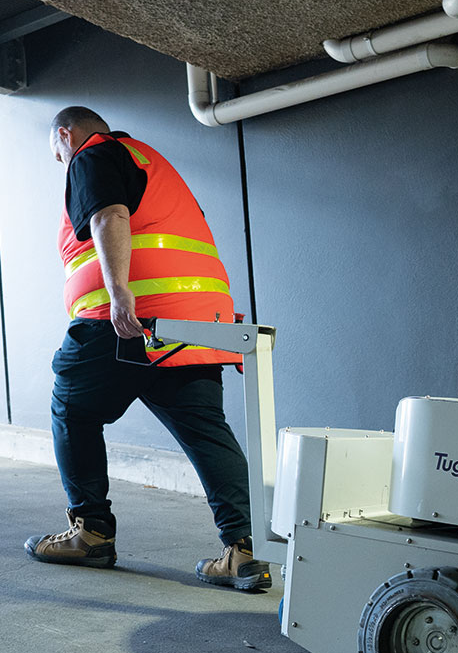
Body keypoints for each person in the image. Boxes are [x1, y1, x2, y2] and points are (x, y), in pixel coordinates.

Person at [24, 106, 272, 592]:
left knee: (71, 409)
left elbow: (109, 214)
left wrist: (120, 294)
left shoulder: (92, 154)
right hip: (194, 322)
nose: (60, 160)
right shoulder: (151, 162)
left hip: (127, 320)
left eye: (57, 151)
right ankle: (246, 551)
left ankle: (91, 533)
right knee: (204, 430)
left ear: (65, 135)